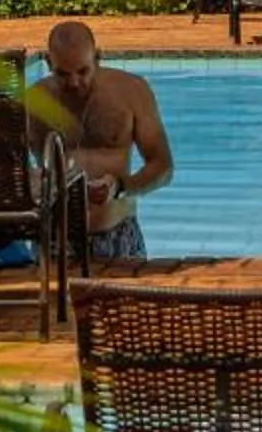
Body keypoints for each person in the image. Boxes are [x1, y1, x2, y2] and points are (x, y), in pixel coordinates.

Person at [24, 21, 174, 264]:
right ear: (49, 63)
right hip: (55, 239)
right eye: (62, 74)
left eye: (83, 71)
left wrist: (120, 187)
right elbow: (8, 172)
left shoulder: (132, 92)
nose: (74, 82)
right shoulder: (32, 103)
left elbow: (163, 167)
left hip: (117, 232)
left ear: (98, 58)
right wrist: (32, 185)